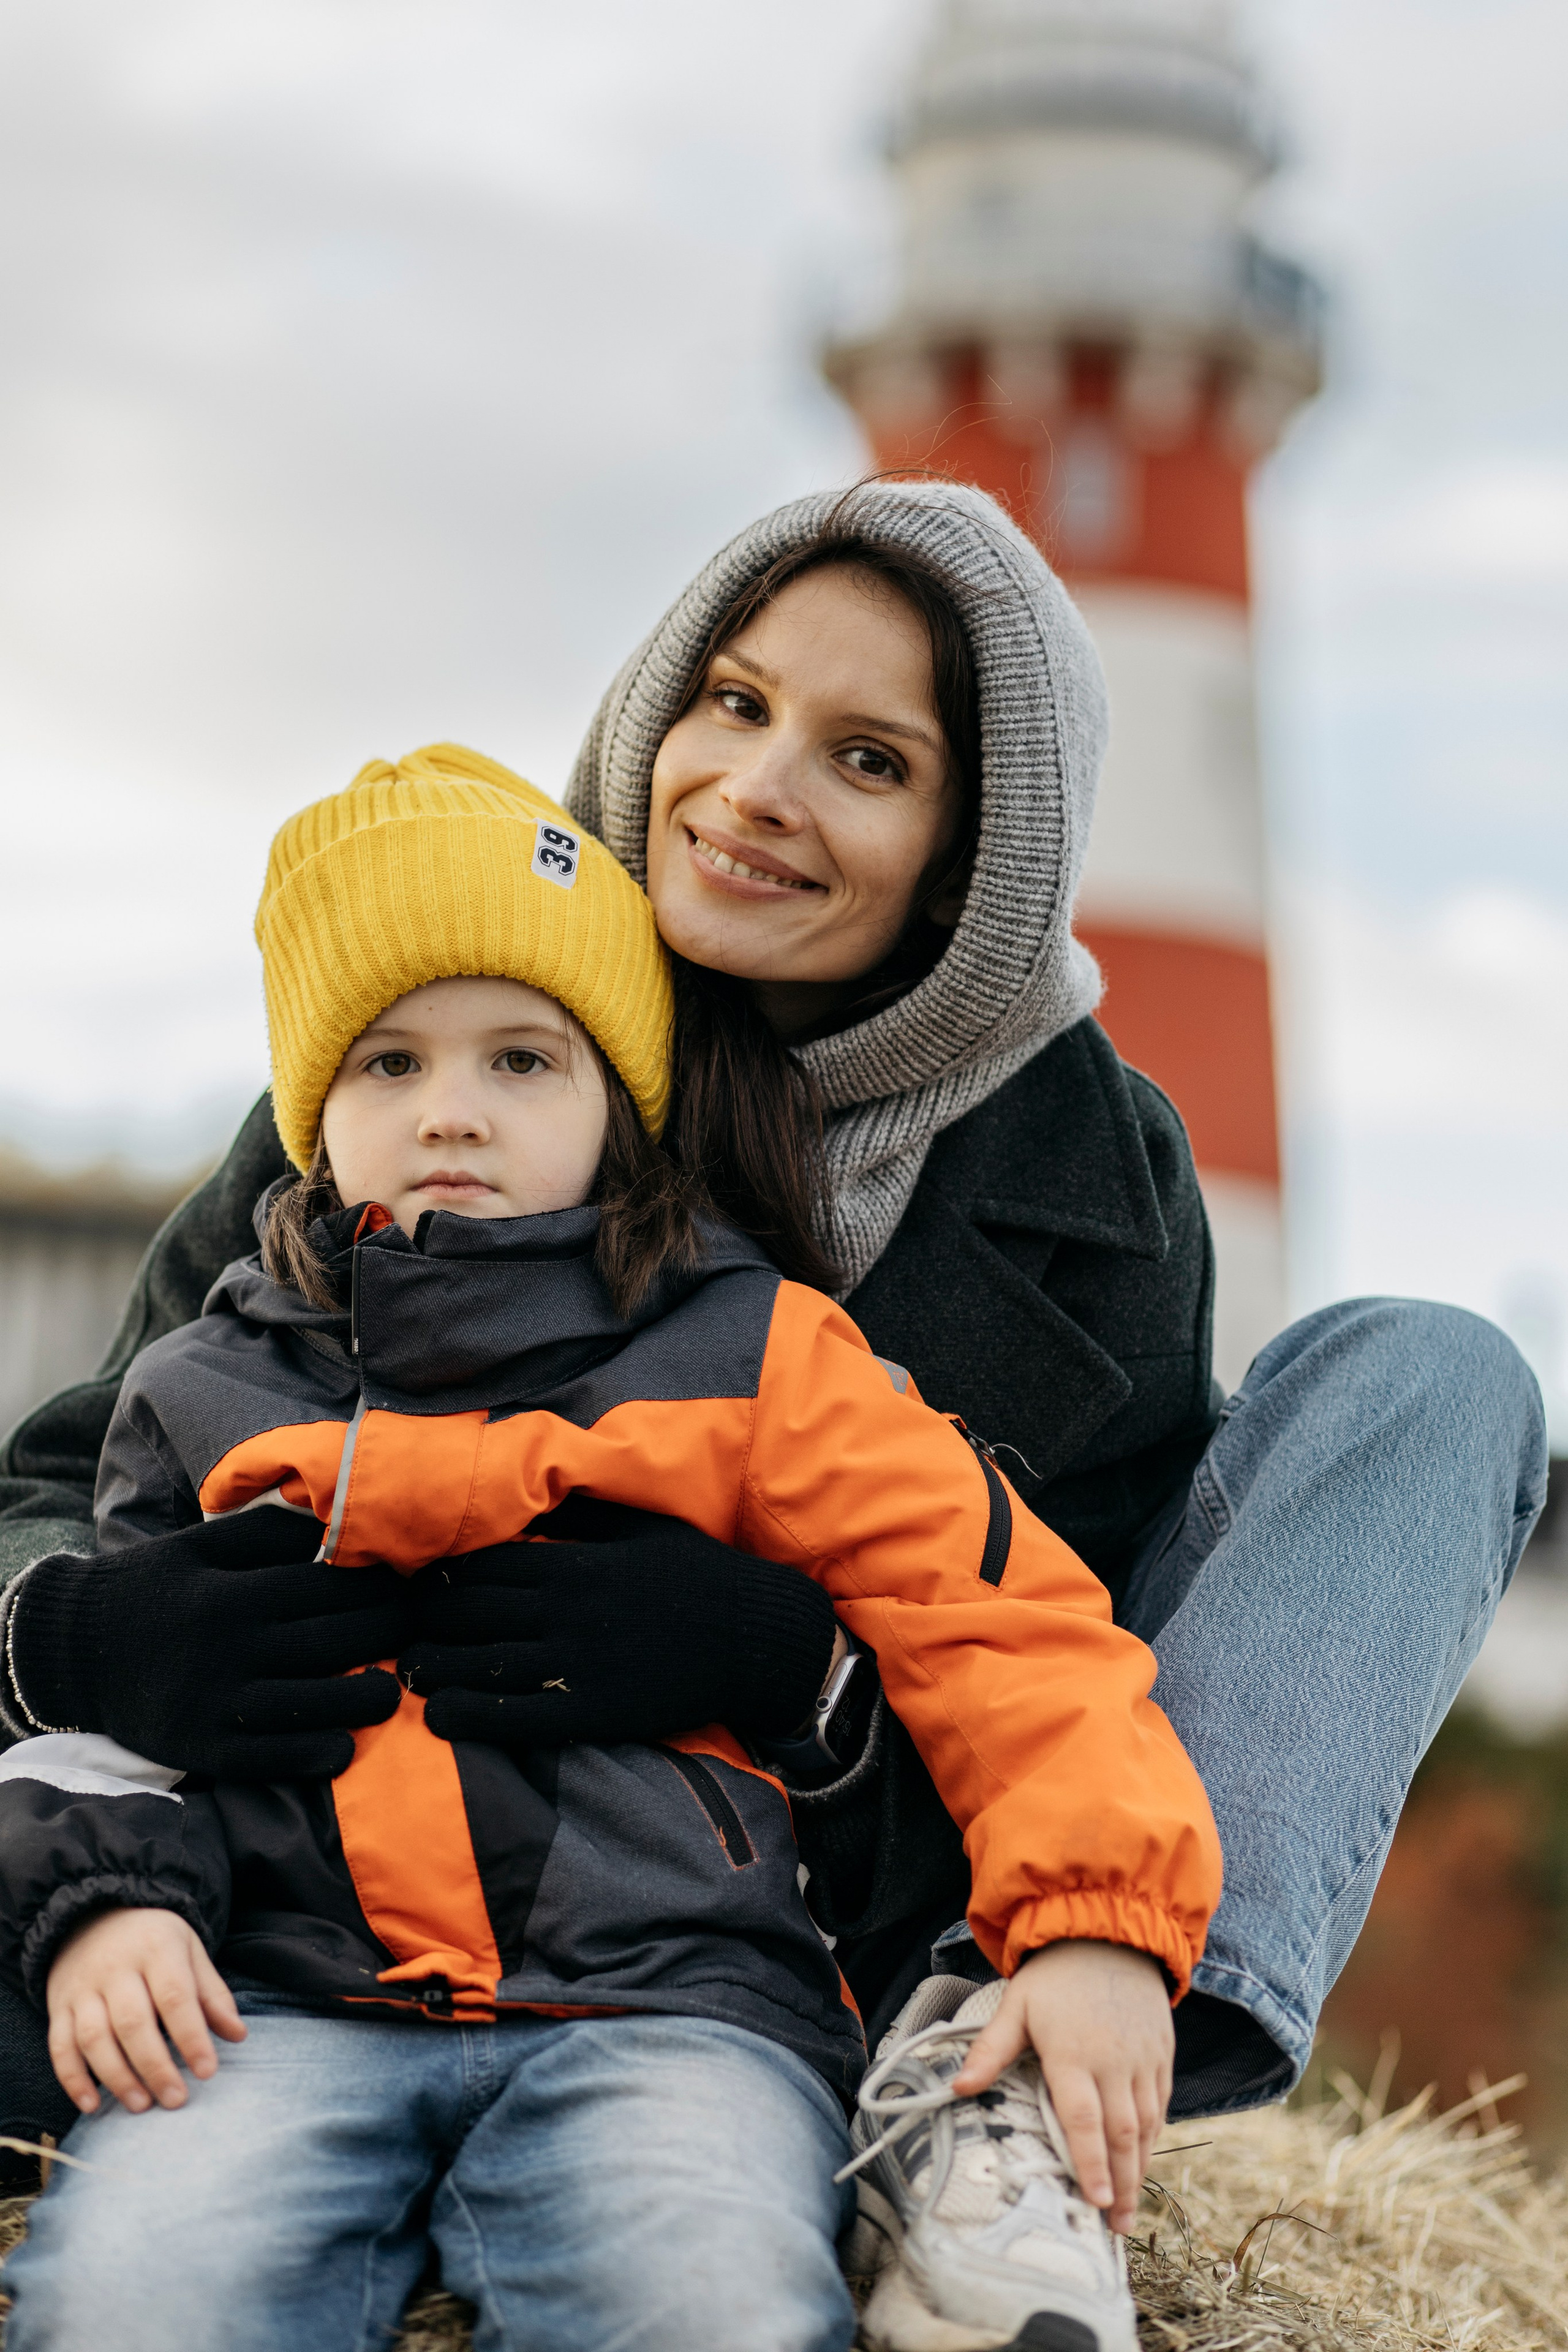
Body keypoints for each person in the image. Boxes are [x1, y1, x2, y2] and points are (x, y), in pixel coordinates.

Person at [0, 483, 1547, 2330]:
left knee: (1438, 1377)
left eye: (868, 760)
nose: (753, 788)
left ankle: (1024, 2103)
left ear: (971, 849)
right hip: (368, 1885)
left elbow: (1040, 1629)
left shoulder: (1088, 1167)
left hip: (869, 1877)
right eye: (730, 703)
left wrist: (801, 1687)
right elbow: (83, 1467)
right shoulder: (442, 1033)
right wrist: (86, 1631)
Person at [0, 745, 1220, 2352]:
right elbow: (104, 1724)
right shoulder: (203, 1390)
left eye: (523, 1059)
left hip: (672, 2016)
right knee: (135, 2294)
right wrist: (105, 1903)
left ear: (620, 1108)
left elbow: (1002, 1623)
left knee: (700, 2299)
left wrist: (1090, 1917)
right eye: (385, 1064)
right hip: (279, 2003)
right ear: (306, 1115)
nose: (451, 1110)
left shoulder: (760, 1359)